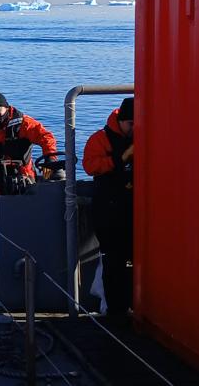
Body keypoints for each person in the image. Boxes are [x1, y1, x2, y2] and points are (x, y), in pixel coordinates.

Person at [83, 97, 134, 317]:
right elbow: (90, 166)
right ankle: (116, 312)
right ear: (120, 121)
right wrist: (120, 159)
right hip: (108, 209)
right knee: (114, 261)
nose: (133, 128)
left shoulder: (141, 136)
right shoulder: (100, 139)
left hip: (132, 207)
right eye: (130, 123)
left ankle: (133, 306)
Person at [0, 92, 60, 198]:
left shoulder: (23, 123)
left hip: (24, 179)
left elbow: (46, 137)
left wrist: (50, 160)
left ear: (6, 107)